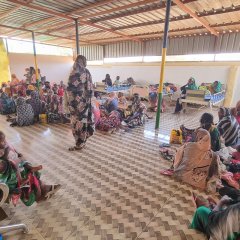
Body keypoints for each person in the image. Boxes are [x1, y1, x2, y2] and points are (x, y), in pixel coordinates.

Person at [0, 131, 60, 206]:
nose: (5, 142)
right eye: (2, 141)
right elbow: (3, 168)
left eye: (4, 140)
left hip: (15, 169)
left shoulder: (4, 145)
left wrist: (18, 156)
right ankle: (39, 195)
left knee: (26, 167)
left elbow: (14, 152)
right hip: (9, 179)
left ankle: (43, 188)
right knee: (26, 177)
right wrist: (7, 155)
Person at [67, 55, 94, 151]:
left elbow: (69, 89)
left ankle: (78, 142)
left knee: (75, 123)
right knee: (82, 123)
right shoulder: (86, 72)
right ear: (83, 61)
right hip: (83, 105)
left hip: (73, 105)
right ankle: (81, 142)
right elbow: (90, 89)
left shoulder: (72, 72)